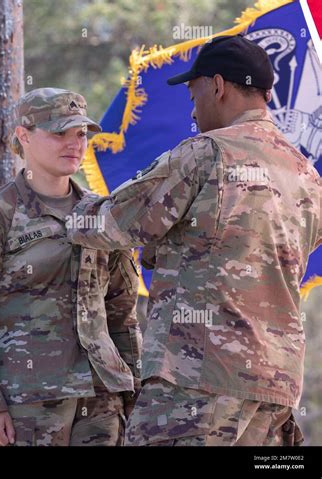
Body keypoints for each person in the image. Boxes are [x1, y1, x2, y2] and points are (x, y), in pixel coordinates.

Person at [68, 35, 321, 446]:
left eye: (193, 93)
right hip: (274, 389)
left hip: (197, 382)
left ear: (217, 86)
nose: (193, 107)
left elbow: (113, 224)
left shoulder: (205, 154)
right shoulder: (307, 176)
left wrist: (65, 211)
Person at [0, 87, 142, 446]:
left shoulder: (102, 214)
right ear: (24, 136)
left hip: (101, 397)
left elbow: (122, 312)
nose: (74, 144)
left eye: (80, 134)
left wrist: (135, 390)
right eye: (58, 133)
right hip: (28, 402)